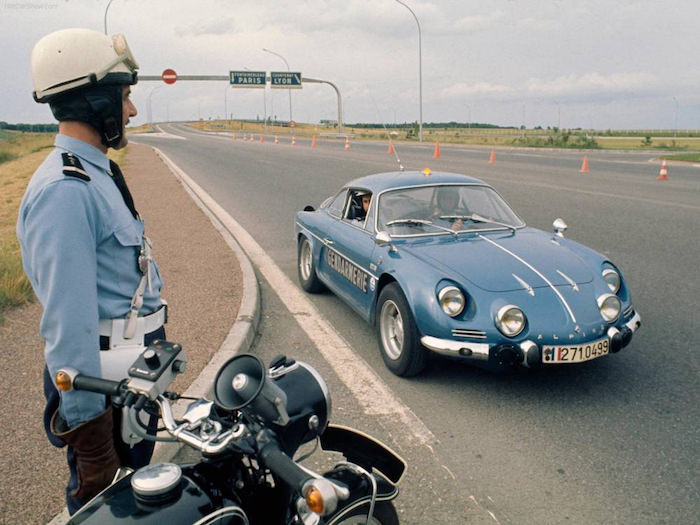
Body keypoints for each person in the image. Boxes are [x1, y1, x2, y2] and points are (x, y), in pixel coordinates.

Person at [16, 28, 166, 514]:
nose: (132, 110)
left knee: (140, 501)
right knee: (105, 508)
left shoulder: (97, 172)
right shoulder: (66, 191)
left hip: (128, 373)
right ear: (97, 103)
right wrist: (92, 441)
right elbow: (68, 326)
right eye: (125, 98)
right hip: (102, 387)